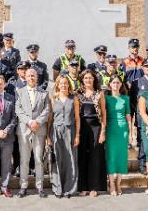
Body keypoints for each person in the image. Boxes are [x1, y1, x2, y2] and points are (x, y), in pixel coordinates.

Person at [15, 67, 51, 198]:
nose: (31, 78)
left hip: (39, 130)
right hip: (24, 130)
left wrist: (37, 122)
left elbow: (47, 110)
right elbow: (18, 109)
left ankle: (40, 186)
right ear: (25, 77)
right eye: (29, 76)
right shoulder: (20, 92)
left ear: (37, 77)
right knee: (24, 160)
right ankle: (23, 186)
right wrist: (29, 122)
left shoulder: (44, 93)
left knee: (38, 159)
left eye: (33, 76)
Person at [76, 69, 107, 197]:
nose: (88, 80)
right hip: (82, 127)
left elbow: (104, 114)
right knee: (82, 156)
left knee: (95, 157)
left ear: (94, 79)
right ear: (82, 80)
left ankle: (94, 187)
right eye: (86, 78)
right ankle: (83, 187)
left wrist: (103, 132)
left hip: (96, 127)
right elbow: (76, 115)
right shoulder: (77, 94)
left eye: (90, 78)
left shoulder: (99, 94)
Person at [48, 75, 80, 198]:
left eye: (66, 83)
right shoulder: (53, 98)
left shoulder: (74, 98)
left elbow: (77, 118)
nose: (63, 85)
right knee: (57, 159)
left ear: (69, 84)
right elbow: (50, 119)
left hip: (70, 131)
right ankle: (57, 188)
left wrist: (77, 135)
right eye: (61, 83)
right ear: (57, 85)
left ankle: (69, 189)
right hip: (55, 131)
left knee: (70, 159)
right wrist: (48, 137)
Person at [130, 58, 148, 175]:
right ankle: (142, 164)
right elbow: (132, 102)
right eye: (147, 66)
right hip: (142, 118)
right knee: (142, 142)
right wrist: (132, 120)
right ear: (143, 68)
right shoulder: (136, 82)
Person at [105, 75, 131, 196]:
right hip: (110, 130)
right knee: (111, 157)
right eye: (113, 82)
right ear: (110, 84)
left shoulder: (125, 98)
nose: (115, 85)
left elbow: (128, 117)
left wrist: (131, 133)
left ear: (121, 85)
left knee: (121, 157)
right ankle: (111, 184)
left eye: (118, 83)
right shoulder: (106, 98)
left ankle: (118, 184)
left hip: (123, 131)